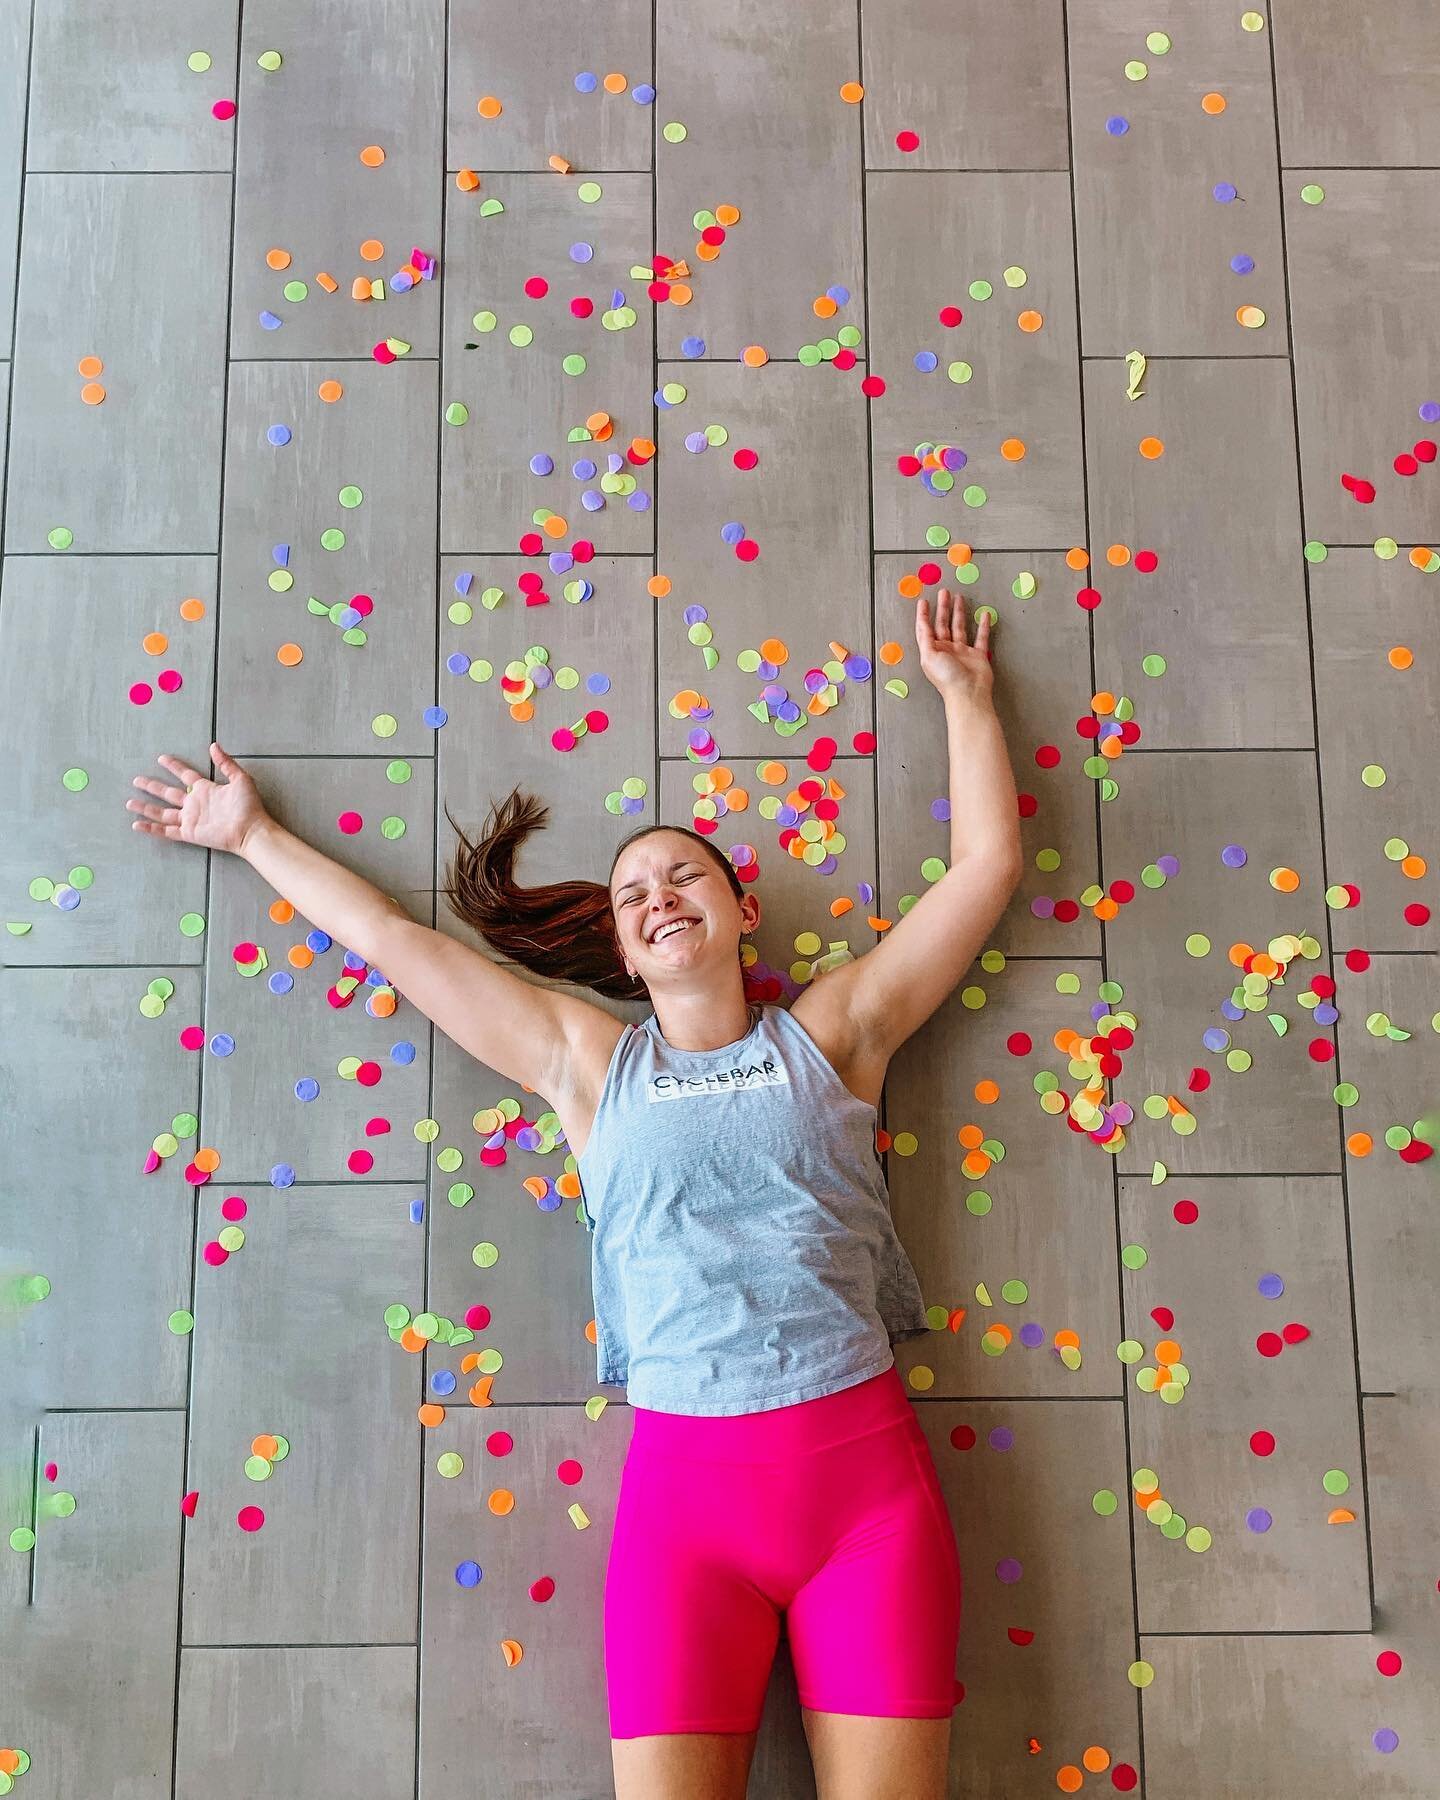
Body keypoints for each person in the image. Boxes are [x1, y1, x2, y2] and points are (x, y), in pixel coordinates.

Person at [128, 588, 1021, 1800]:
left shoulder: (836, 1033)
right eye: (634, 891)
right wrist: (250, 837)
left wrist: (965, 697)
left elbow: (986, 867)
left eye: (684, 873)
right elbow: (397, 942)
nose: (658, 893)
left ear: (740, 910)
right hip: (683, 1517)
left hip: (861, 1494)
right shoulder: (589, 1065)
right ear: (622, 942)